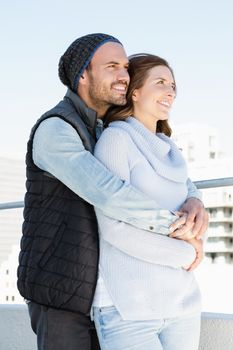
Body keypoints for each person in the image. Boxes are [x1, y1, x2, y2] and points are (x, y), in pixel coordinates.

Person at [17, 34, 208, 350]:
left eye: (125, 67)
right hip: (60, 286)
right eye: (112, 66)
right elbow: (109, 192)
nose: (123, 74)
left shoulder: (103, 127)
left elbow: (159, 168)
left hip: (98, 285)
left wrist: (194, 198)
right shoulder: (56, 129)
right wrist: (178, 230)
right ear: (82, 75)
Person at [92, 53, 207, 350]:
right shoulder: (116, 141)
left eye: (173, 85)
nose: (170, 91)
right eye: (160, 82)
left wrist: (196, 200)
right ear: (135, 91)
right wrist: (186, 254)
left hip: (181, 304)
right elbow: (113, 228)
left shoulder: (169, 148)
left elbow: (185, 189)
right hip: (128, 308)